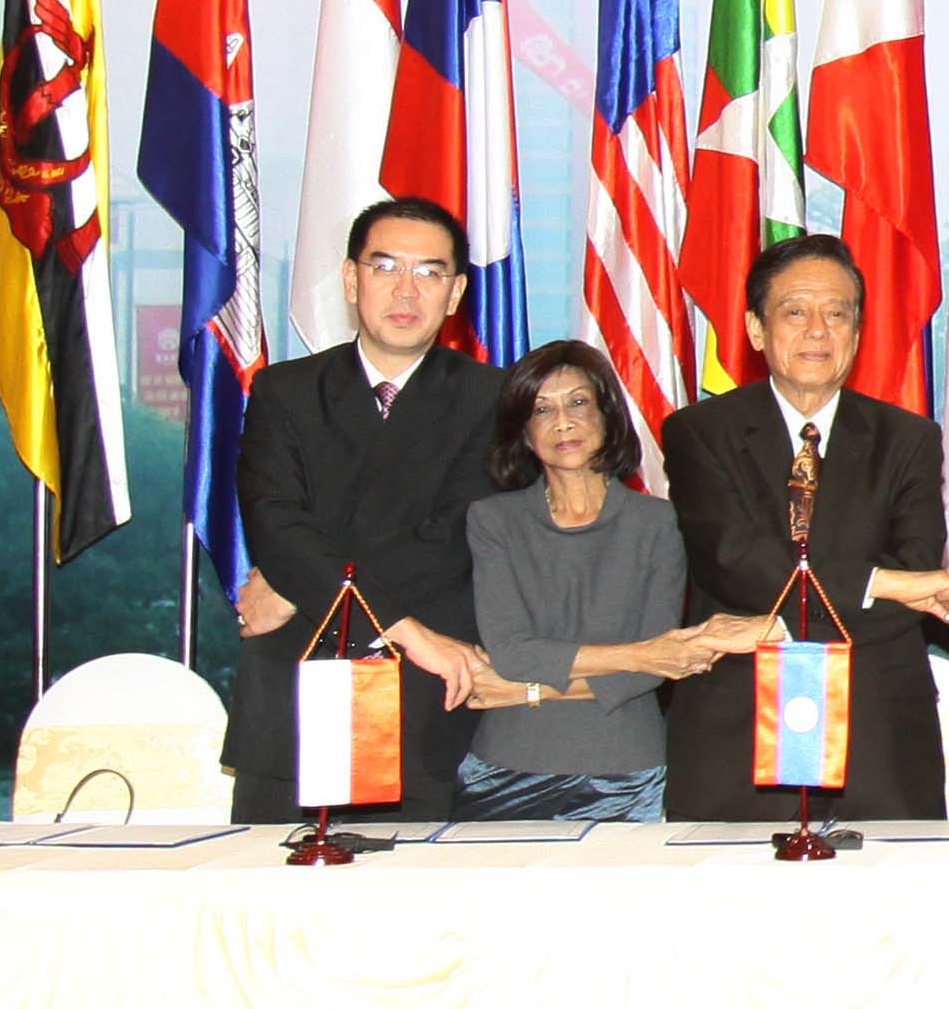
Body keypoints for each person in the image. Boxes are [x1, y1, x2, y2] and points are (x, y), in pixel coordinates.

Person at [661, 233, 949, 821]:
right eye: (795, 313)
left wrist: (780, 623)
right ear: (756, 330)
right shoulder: (699, 432)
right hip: (737, 726)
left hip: (876, 727)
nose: (818, 332)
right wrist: (877, 583)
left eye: (837, 314)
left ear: (858, 331)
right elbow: (735, 563)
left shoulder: (908, 439)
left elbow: (915, 572)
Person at [226, 196, 509, 823]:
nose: (406, 290)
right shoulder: (285, 391)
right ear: (351, 279)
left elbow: (450, 537)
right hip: (297, 699)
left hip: (425, 705)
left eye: (430, 272)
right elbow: (274, 523)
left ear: (456, 292)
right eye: (385, 267)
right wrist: (405, 629)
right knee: (266, 883)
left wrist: (301, 584)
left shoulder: (493, 398)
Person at [454, 341, 744, 821]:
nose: (562, 422)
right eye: (541, 409)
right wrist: (639, 654)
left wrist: (527, 690)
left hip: (627, 771)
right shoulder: (493, 520)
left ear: (607, 416)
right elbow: (514, 653)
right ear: (524, 432)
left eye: (578, 403)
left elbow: (650, 672)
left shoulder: (659, 522)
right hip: (506, 769)